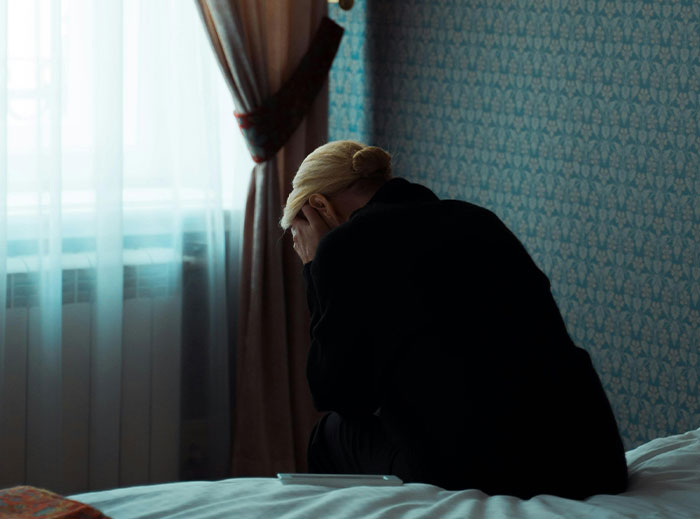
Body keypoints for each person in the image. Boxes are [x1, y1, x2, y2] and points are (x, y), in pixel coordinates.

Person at [281, 140, 628, 499]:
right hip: (591, 456)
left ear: (319, 205)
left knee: (331, 433)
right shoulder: (478, 218)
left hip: (487, 468)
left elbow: (338, 393)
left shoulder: (345, 246)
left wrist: (314, 266)